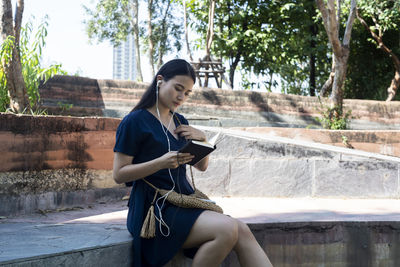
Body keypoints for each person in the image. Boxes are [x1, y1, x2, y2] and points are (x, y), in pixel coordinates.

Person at [113, 59, 273, 267]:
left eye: (187, 93)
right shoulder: (134, 121)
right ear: (160, 81)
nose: (181, 97)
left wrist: (202, 139)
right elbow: (119, 174)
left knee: (241, 228)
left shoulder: (180, 121)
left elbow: (201, 166)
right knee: (226, 228)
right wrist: (160, 163)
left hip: (183, 201)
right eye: (178, 89)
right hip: (154, 208)